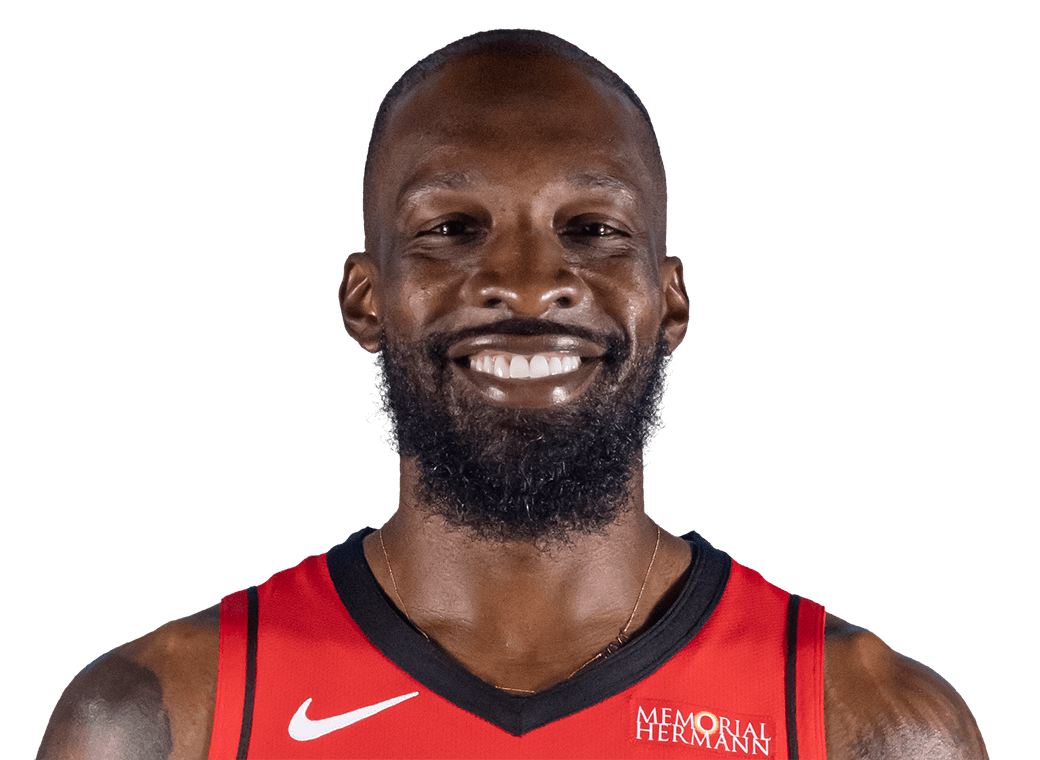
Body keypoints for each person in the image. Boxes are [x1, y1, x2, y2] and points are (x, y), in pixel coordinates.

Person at [37, 29, 987, 759]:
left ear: (670, 301)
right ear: (366, 301)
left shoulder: (866, 724)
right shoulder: (168, 720)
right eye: (452, 227)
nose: (529, 287)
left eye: (593, 228)